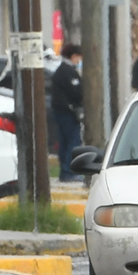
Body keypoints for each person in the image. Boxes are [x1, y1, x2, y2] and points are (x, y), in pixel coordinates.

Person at [51, 44, 84, 183]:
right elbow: (75, 91)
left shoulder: (63, 70)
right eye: (78, 58)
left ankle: (65, 171)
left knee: (65, 142)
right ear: (74, 56)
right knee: (73, 142)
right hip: (67, 112)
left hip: (62, 111)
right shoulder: (67, 71)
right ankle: (68, 171)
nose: (79, 61)